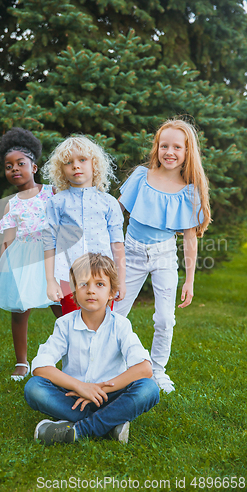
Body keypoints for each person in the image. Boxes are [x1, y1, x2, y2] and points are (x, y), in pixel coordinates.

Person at [114, 118, 211, 393]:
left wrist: (189, 280)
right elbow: (114, 213)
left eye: (177, 147)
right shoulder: (140, 178)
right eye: (164, 145)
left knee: (165, 318)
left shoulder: (189, 193)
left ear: (187, 152)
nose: (170, 152)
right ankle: (114, 365)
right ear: (156, 148)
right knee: (117, 311)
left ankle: (157, 370)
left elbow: (190, 239)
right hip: (131, 252)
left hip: (164, 256)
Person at [24, 253, 159, 445]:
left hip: (112, 395)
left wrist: (99, 388)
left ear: (112, 293)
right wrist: (81, 387)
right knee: (34, 388)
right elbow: (40, 366)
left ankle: (78, 430)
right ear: (74, 292)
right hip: (74, 395)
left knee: (149, 389)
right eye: (83, 284)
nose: (90, 291)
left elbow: (144, 368)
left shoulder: (120, 325)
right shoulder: (65, 324)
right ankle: (110, 424)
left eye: (100, 284)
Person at [0, 128, 62, 381]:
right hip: (24, 260)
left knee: (62, 308)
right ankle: (21, 361)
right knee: (19, 311)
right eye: (8, 166)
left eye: (20, 164)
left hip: (51, 257)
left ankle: (70, 356)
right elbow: (8, 240)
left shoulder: (52, 192)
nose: (14, 169)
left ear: (34, 167)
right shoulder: (12, 203)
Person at [42, 135, 126, 315]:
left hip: (103, 276)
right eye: (68, 162)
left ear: (94, 164)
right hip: (68, 276)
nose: (76, 166)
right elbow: (50, 243)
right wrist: (51, 280)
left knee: (102, 324)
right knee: (72, 324)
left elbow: (117, 244)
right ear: (60, 169)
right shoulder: (56, 203)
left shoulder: (108, 203)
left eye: (82, 160)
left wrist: (121, 281)